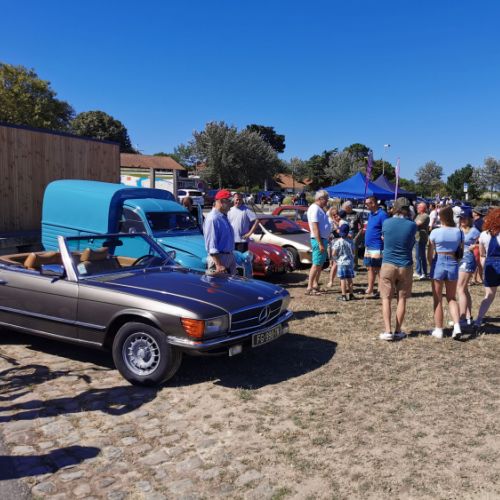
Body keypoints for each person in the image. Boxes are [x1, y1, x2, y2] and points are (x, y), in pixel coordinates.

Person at [378, 197, 417, 341]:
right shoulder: (412, 225)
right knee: (402, 299)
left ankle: (388, 330)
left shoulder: (386, 222)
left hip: (388, 263)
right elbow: (411, 243)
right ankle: (398, 330)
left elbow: (384, 238)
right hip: (405, 264)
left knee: (386, 298)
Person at [428, 206, 463, 339]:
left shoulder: (435, 232)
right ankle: (457, 326)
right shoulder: (459, 232)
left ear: (441, 217)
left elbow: (429, 253)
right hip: (453, 262)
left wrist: (431, 264)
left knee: (437, 298)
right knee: (452, 298)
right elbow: (460, 251)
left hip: (439, 262)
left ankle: (439, 329)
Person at [474, 208, 500, 334]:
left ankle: (478, 320)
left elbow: (482, 255)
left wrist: (484, 269)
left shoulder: (483, 234)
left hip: (490, 264)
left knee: (488, 296)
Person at [203, 189, 237, 275]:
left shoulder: (223, 217)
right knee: (217, 284)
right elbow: (211, 245)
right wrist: (218, 265)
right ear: (222, 202)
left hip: (227, 258)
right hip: (219, 261)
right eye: (229, 201)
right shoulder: (213, 218)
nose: (232, 204)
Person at [457, 211, 481, 326]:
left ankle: (462, 319)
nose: (462, 220)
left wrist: (475, 246)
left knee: (460, 288)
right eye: (460, 218)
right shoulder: (458, 230)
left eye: (464, 218)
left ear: (470, 219)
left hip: (468, 260)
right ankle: (468, 317)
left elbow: (484, 243)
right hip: (458, 260)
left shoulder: (475, 231)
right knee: (464, 289)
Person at [305, 190, 331, 295]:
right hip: (318, 240)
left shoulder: (320, 209)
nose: (327, 201)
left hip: (323, 239)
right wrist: (320, 243)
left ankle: (315, 284)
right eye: (326, 199)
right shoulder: (314, 208)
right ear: (320, 198)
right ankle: (309, 287)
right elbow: (315, 227)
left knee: (320, 264)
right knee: (316, 264)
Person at [363, 196, 388, 297]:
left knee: (378, 269)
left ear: (373, 203)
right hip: (369, 246)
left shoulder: (382, 214)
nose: (365, 205)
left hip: (377, 246)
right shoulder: (371, 214)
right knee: (370, 268)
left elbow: (386, 229)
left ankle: (380, 290)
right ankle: (370, 288)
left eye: (367, 203)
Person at [332, 224, 355, 301]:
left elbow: (333, 253)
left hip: (341, 263)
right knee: (350, 279)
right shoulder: (350, 241)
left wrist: (336, 258)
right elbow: (353, 252)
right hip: (349, 262)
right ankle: (351, 294)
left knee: (342, 279)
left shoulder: (338, 242)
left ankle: (343, 296)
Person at [342, 201, 363, 269]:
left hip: (354, 235)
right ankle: (345, 265)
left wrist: (356, 237)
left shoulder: (357, 214)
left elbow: (362, 227)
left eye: (345, 208)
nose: (344, 209)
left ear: (349, 207)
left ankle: (354, 266)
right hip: (344, 235)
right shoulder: (343, 214)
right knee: (344, 250)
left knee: (354, 251)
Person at [414, 202, 430, 279]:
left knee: (421, 255)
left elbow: (417, 224)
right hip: (417, 237)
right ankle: (419, 271)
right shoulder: (418, 215)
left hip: (421, 238)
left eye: (419, 207)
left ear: (423, 208)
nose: (417, 208)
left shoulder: (425, 216)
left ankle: (422, 272)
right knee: (418, 256)